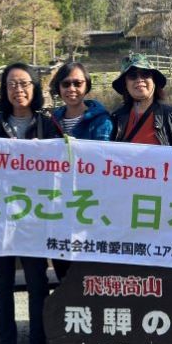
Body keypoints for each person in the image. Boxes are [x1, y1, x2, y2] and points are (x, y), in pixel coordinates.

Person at [0, 63, 60, 344]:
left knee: (37, 284)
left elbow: (62, 168)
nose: (19, 89)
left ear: (35, 88)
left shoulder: (48, 125)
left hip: (35, 218)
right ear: (4, 89)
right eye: (12, 84)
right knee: (1, 285)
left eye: (25, 83)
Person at [48, 61, 113, 281]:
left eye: (78, 83)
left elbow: (102, 163)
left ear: (87, 86)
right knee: (63, 269)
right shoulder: (51, 120)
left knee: (89, 271)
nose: (71, 89)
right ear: (58, 88)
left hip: (88, 205)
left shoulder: (102, 121)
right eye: (66, 83)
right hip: (57, 206)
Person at [110, 54, 172, 147]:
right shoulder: (115, 119)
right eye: (132, 76)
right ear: (125, 84)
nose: (139, 79)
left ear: (154, 82)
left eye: (145, 74)